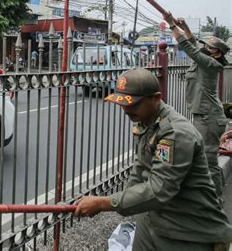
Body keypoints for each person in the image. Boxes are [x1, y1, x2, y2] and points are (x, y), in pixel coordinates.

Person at [75, 68, 232, 251]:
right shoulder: (147, 122)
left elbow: (159, 190)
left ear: (156, 98)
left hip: (188, 229)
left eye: (133, 104)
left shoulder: (176, 133)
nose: (126, 110)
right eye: (122, 104)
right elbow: (140, 168)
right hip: (153, 219)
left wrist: (104, 203)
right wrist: (125, 200)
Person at [164, 13, 230, 197]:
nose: (204, 48)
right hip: (205, 117)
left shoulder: (209, 64)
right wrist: (184, 27)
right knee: (200, 158)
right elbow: (193, 44)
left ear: (216, 53)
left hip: (209, 119)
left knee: (209, 162)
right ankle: (204, 195)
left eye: (209, 47)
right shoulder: (204, 60)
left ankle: (215, 199)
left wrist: (171, 25)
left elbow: (189, 48)